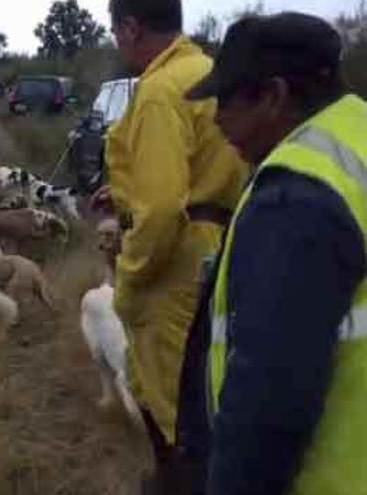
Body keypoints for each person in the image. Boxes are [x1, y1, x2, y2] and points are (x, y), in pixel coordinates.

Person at [176, 12, 367, 495]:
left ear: (274, 96)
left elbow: (268, 402)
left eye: (227, 101)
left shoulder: (294, 195)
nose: (216, 119)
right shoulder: (357, 138)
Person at [92, 0, 249, 487]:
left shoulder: (160, 90)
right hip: (219, 242)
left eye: (116, 30)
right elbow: (204, 165)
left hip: (174, 262)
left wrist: (133, 274)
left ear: (132, 27)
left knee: (174, 414)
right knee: (210, 389)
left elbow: (160, 207)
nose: (117, 41)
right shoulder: (207, 71)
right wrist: (122, 190)